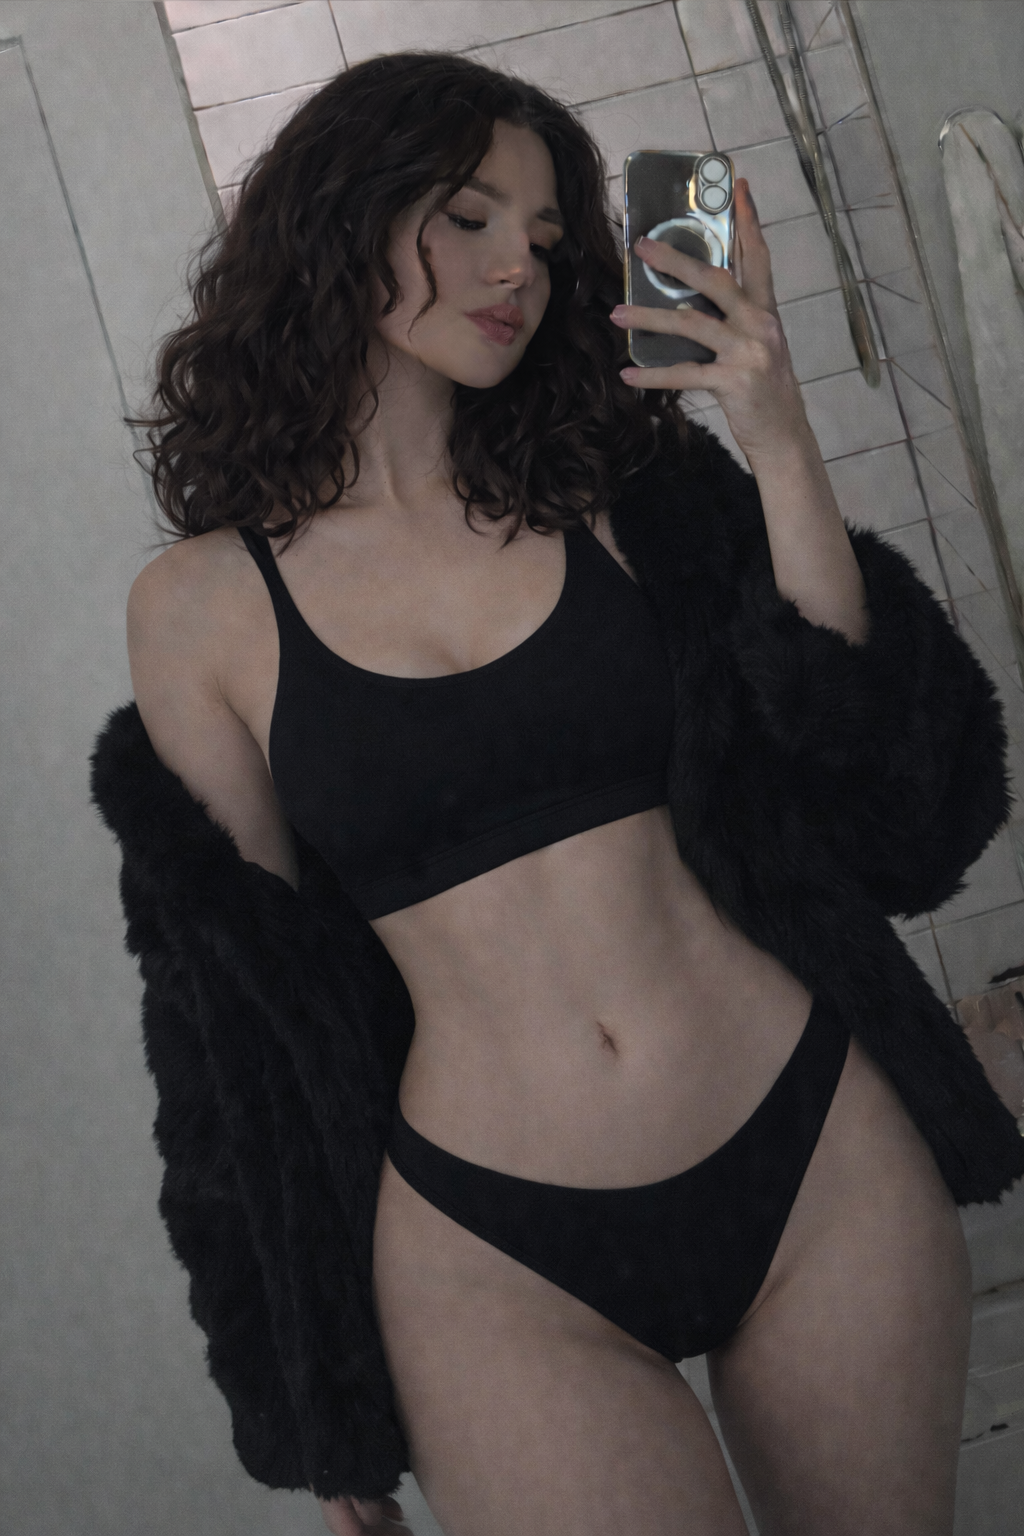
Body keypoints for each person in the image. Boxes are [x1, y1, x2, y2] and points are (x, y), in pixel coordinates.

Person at [97, 49, 1024, 1536]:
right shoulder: (199, 609)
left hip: (811, 1149)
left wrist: (775, 428)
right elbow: (240, 1030)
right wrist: (314, 1405)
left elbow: (891, 790)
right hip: (495, 1252)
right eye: (467, 216)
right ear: (342, 216)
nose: (515, 267)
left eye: (542, 234)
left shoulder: (621, 482)